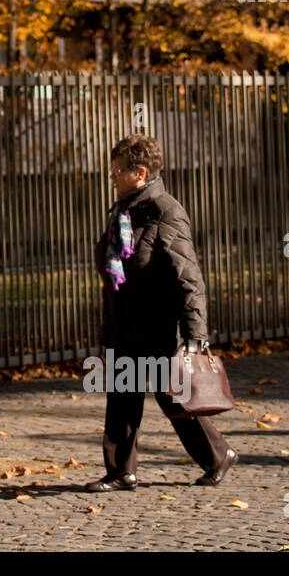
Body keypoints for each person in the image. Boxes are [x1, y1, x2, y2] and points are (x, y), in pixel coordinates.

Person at [85, 134, 237, 491]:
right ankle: (121, 472)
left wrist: (196, 336)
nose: (112, 177)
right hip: (125, 322)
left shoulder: (165, 211)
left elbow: (189, 276)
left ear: (139, 173)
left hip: (157, 325)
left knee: (175, 400)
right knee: (123, 397)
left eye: (116, 171)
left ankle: (218, 455)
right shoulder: (123, 211)